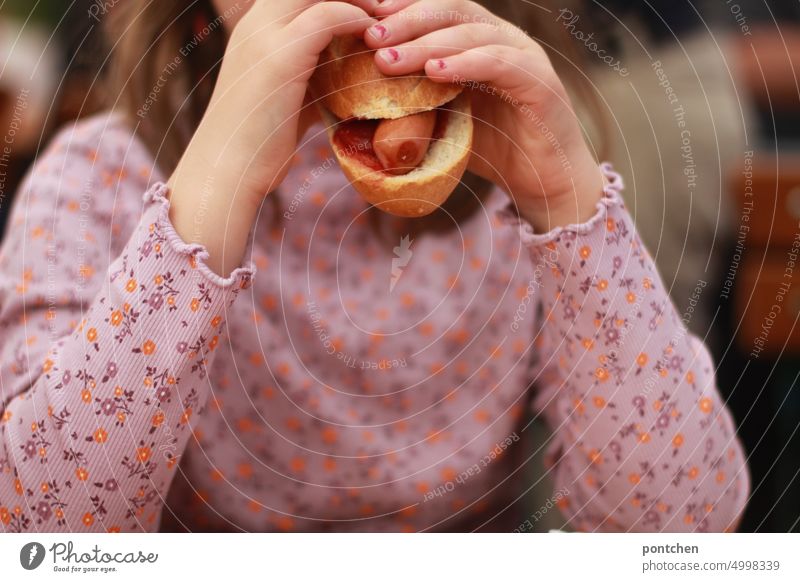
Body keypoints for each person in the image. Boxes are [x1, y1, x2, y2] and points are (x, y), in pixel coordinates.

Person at [0, 0, 749, 533]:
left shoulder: (517, 189)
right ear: (200, 17)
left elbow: (680, 525)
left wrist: (565, 200)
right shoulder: (95, 180)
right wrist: (213, 190)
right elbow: (40, 529)